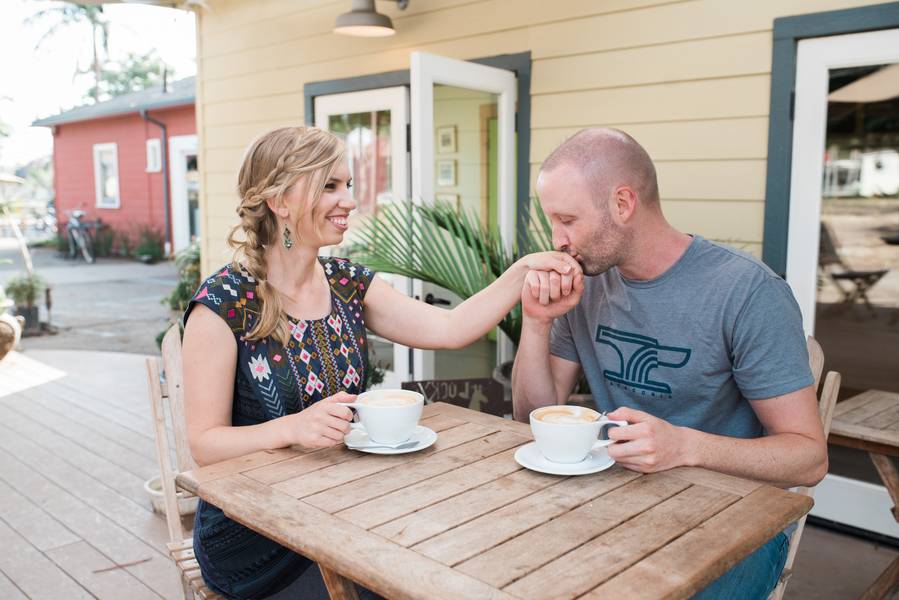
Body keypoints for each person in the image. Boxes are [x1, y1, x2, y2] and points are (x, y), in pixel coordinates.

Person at [181, 126, 579, 600]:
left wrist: (520, 274)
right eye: (329, 186)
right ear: (279, 201)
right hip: (260, 537)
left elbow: (449, 330)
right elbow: (204, 445)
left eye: (348, 185)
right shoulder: (223, 304)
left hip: (346, 510)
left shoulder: (348, 283)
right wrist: (291, 429)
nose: (349, 200)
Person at [511, 128, 827, 599]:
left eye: (567, 220)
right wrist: (535, 324)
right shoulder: (587, 285)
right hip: (612, 500)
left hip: (733, 518)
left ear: (622, 203)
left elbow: (808, 458)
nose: (557, 241)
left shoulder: (746, 293)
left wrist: (684, 447)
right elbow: (532, 416)